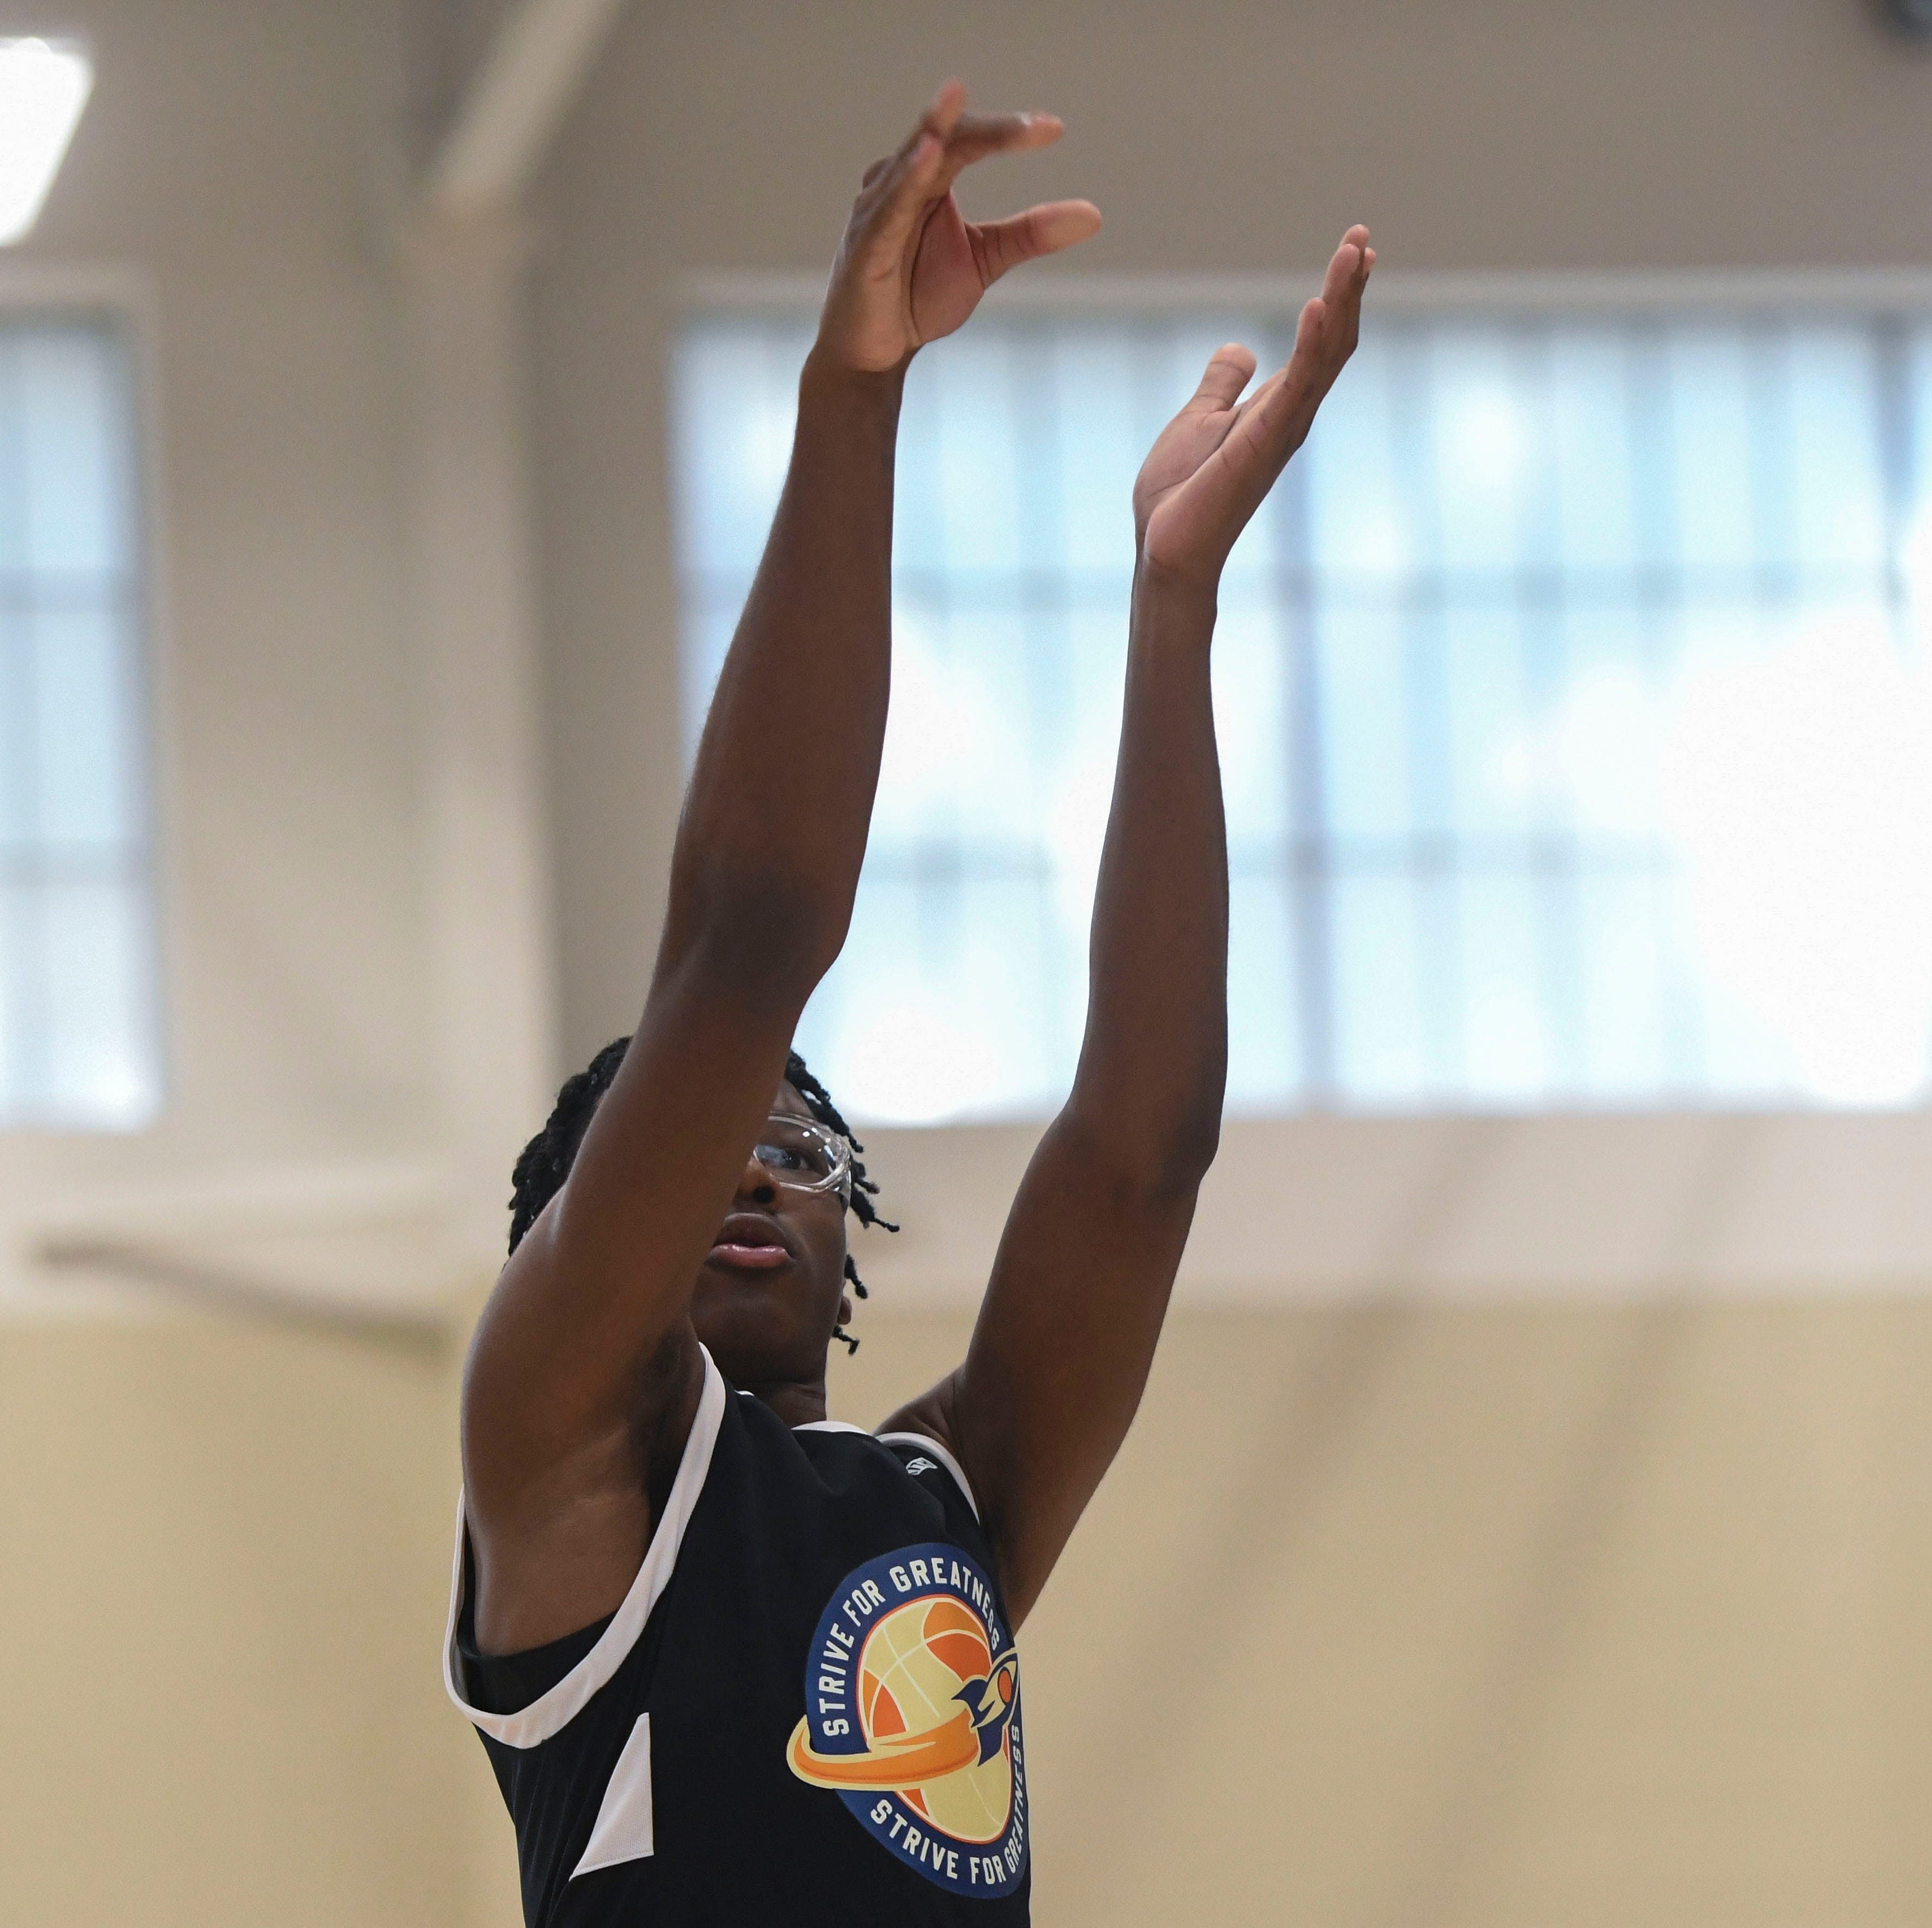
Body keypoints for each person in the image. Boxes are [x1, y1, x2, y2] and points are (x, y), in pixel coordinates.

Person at [444, 78, 1371, 1925]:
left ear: (852, 1241)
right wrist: (853, 393)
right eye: (708, 1133)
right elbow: (749, 937)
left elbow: (1141, 1151)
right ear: (573, 1234)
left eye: (802, 1144)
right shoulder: (552, 1449)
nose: (755, 1162)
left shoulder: (942, 1499)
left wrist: (1171, 610)